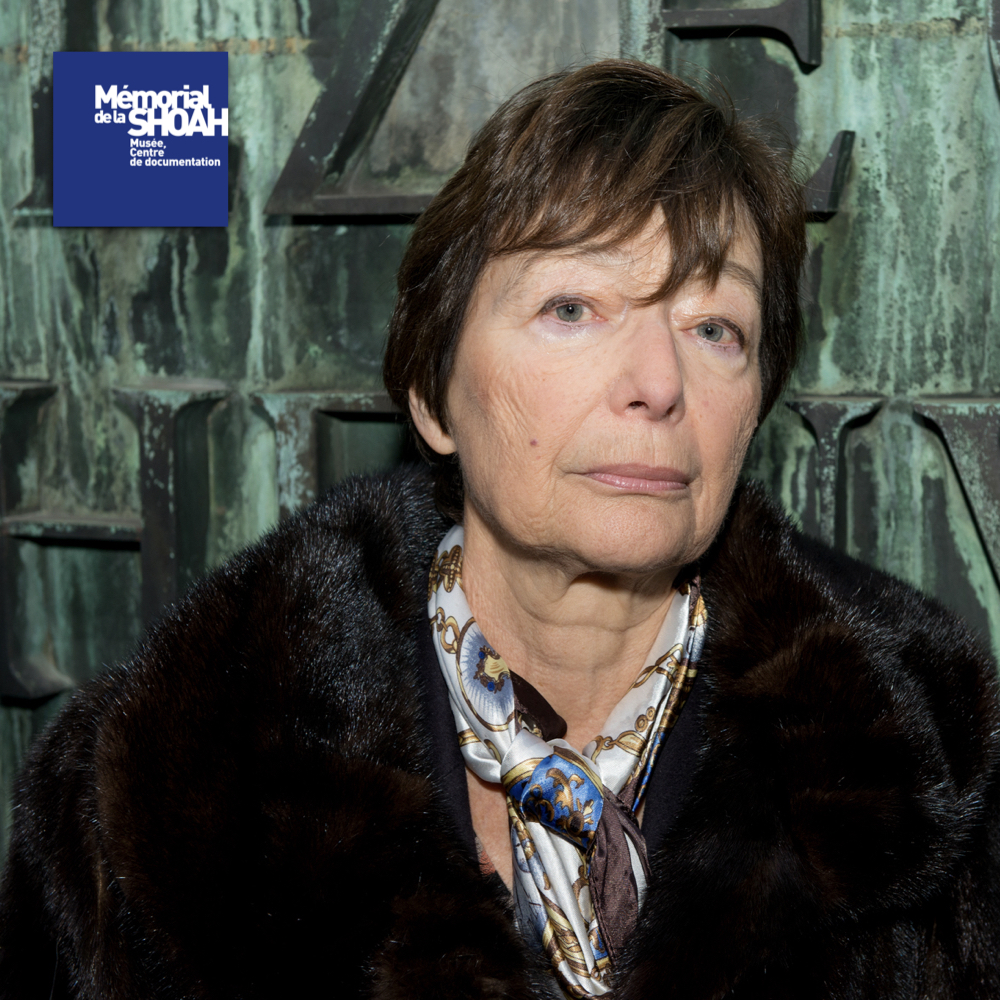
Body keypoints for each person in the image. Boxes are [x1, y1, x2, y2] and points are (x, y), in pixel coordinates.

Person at [1, 59, 998, 1000]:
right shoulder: (148, 795)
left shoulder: (934, 772)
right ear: (433, 394)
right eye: (572, 307)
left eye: (713, 328)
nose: (658, 383)